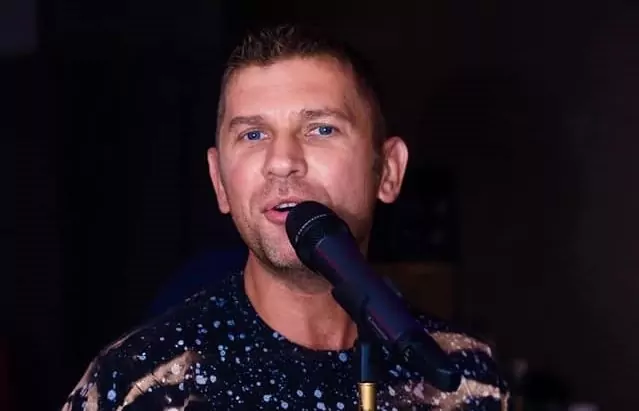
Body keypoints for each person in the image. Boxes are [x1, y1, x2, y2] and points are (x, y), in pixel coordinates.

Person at [61, 24, 509, 410]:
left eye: (321, 129)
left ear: (388, 170)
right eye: (253, 134)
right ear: (219, 181)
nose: (282, 162)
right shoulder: (141, 385)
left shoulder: (463, 378)